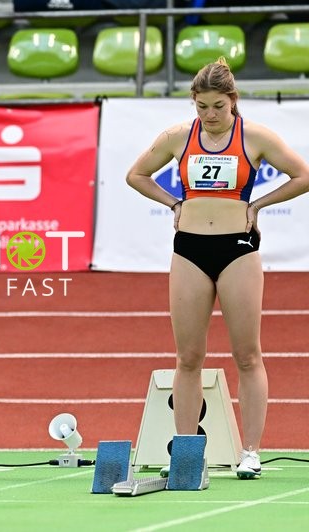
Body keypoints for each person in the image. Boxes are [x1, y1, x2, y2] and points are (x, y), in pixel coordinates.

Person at [126, 58, 309, 479]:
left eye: (218, 107)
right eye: (202, 106)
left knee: (247, 354)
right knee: (188, 356)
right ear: (194, 103)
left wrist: (257, 204)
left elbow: (301, 175)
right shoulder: (177, 138)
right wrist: (173, 203)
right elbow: (136, 175)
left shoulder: (255, 137)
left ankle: (251, 451)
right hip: (189, 249)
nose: (209, 116)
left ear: (233, 102)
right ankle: (186, 453)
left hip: (238, 250)